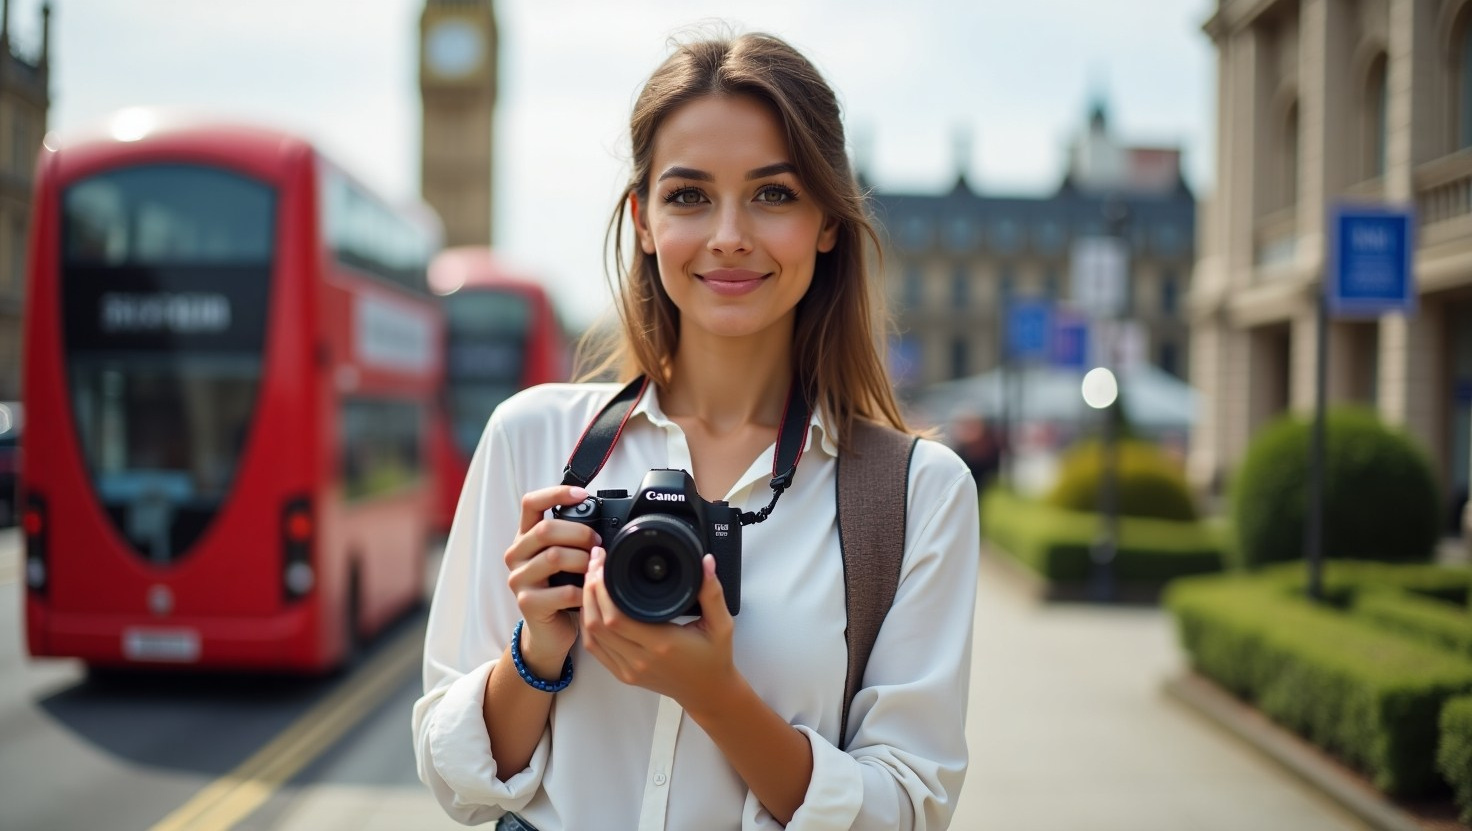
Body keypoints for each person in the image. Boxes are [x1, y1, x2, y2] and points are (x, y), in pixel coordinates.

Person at [413, 30, 980, 830]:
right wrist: (536, 649)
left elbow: (904, 811)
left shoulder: (917, 494)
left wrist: (715, 695)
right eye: (688, 196)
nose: (729, 235)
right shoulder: (532, 440)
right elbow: (461, 784)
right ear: (642, 220)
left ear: (827, 220)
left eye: (773, 194)